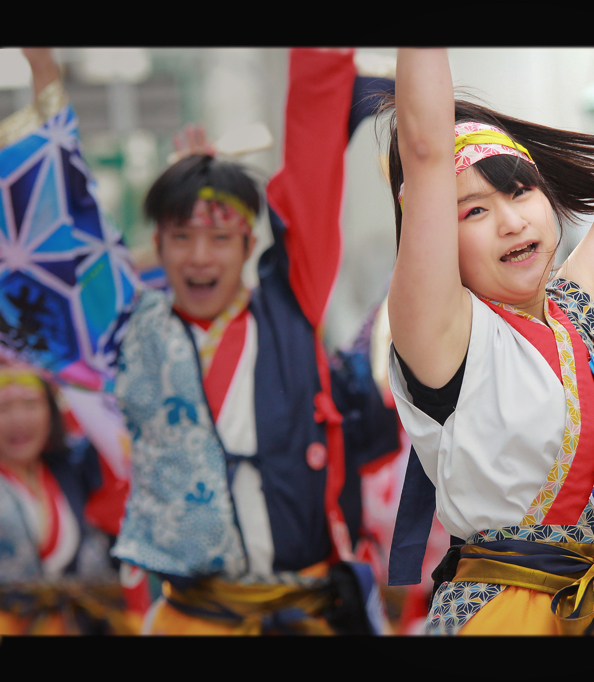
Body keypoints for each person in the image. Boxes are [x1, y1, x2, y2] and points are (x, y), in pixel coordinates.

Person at [70, 48, 399, 635]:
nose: (200, 257)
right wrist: (185, 189)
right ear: (158, 247)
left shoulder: (290, 304)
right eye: (181, 237)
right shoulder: (132, 328)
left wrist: (322, 65)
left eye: (220, 237)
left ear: (250, 246)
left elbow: (309, 176)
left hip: (306, 612)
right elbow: (69, 276)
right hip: (192, 618)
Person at [384, 48, 594, 635]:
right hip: (508, 618)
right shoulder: (442, 335)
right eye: (473, 211)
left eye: (521, 192)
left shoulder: (582, 310)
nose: (511, 221)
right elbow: (425, 153)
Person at [0, 365, 135, 635]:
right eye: (3, 408)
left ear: (52, 411)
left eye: (31, 404)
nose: (19, 419)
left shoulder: (74, 471)